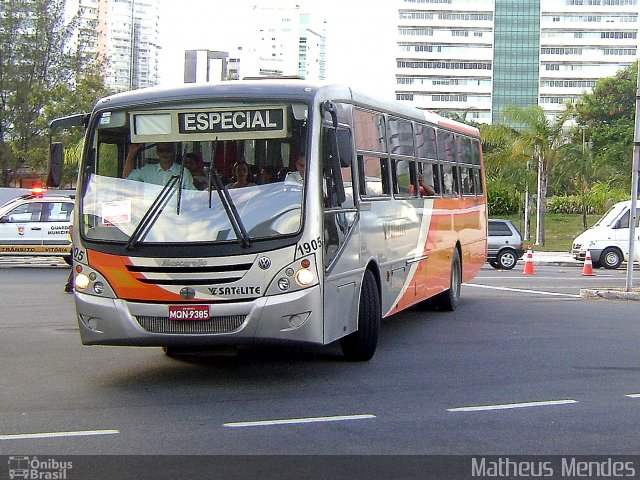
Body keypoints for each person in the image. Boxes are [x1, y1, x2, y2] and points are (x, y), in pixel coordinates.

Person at [123, 142, 196, 189]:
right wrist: (132, 152)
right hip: (151, 212)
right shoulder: (148, 170)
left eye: (168, 150)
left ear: (173, 152)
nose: (164, 153)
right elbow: (127, 177)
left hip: (174, 213)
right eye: (161, 150)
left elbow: (191, 195)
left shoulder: (183, 172)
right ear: (157, 152)